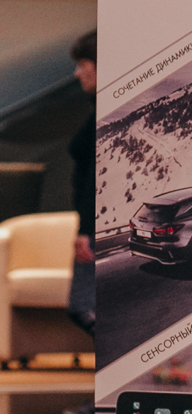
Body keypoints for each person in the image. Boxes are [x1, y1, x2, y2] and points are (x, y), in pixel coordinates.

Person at [66, 30, 95, 335]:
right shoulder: (95, 111)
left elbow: (93, 178)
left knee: (83, 306)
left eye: (83, 65)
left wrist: (86, 230)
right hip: (89, 225)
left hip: (93, 227)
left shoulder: (102, 117)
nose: (77, 73)